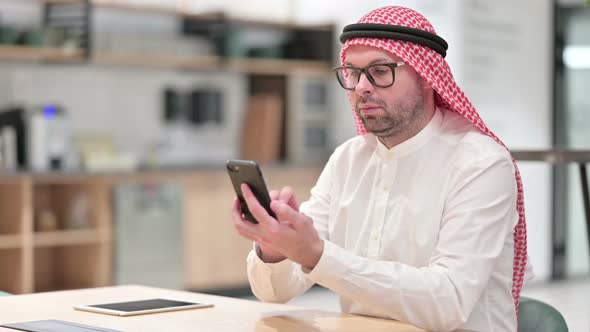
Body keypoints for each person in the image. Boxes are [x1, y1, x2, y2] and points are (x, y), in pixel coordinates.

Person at [230, 6, 532, 332]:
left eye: (380, 71)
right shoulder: (348, 159)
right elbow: (274, 293)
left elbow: (449, 303)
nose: (362, 87)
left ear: (426, 77)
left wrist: (316, 254)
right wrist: (277, 249)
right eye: (352, 72)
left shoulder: (480, 163)